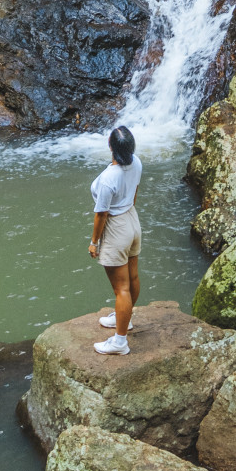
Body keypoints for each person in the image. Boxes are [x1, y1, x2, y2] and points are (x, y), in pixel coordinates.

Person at [89, 124, 141, 355]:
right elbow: (135, 192)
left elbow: (101, 214)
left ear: (110, 146)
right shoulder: (137, 162)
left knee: (121, 289)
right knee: (132, 277)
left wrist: (94, 242)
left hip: (116, 227)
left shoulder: (109, 178)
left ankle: (120, 342)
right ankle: (124, 318)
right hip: (132, 220)